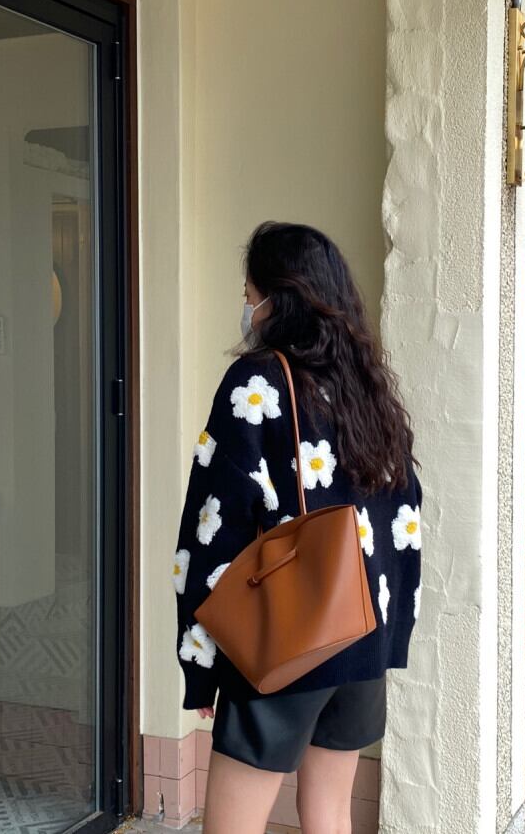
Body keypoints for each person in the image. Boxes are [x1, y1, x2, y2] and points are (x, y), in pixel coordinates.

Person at [173, 220, 423, 834]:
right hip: (360, 638)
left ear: (276, 299)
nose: (246, 306)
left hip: (286, 638)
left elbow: (212, 528)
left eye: (249, 293)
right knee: (329, 816)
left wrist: (200, 663)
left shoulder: (257, 382)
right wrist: (389, 637)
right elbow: (405, 522)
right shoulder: (367, 388)